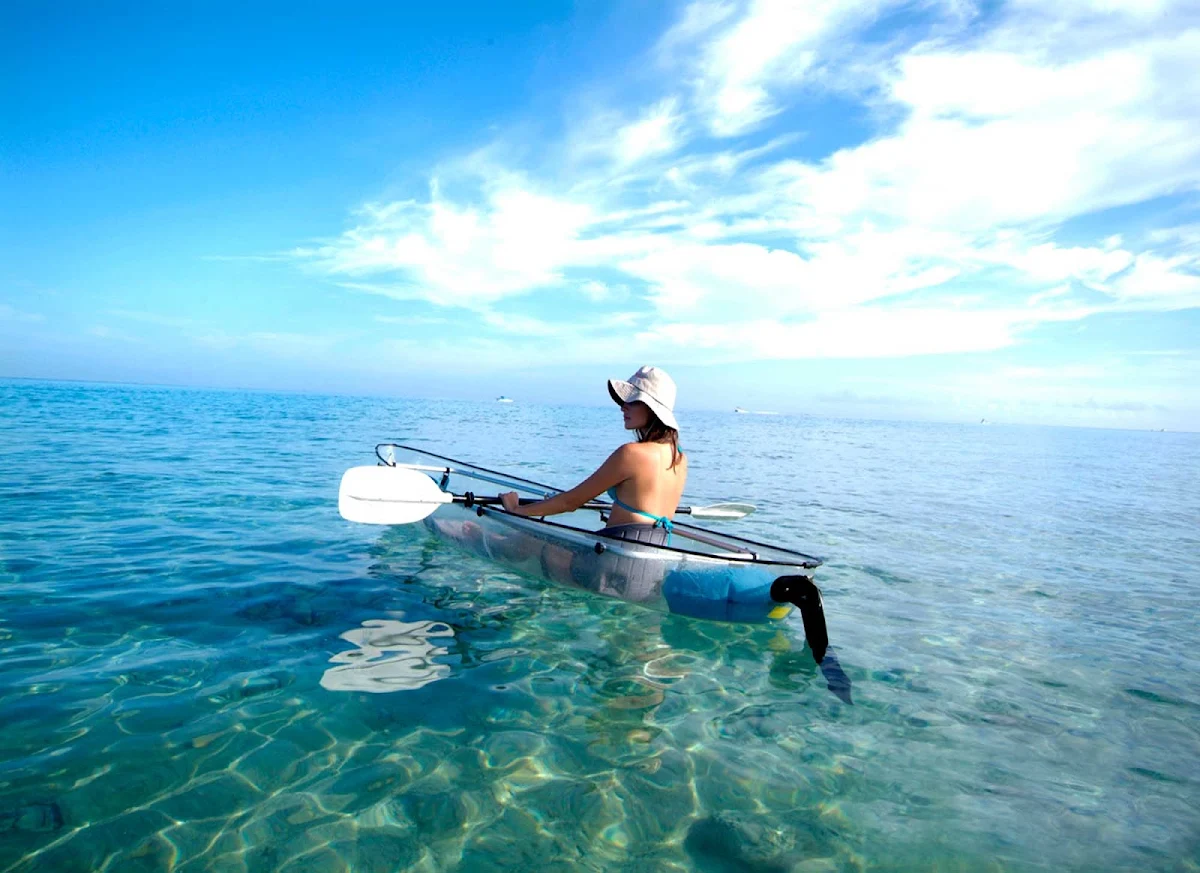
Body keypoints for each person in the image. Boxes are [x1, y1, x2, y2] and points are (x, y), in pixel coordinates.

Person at [499, 365, 687, 546]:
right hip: (652, 566)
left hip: (613, 562)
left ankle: (477, 537)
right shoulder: (679, 458)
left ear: (652, 408)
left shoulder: (632, 453)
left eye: (632, 401)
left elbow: (570, 502)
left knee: (527, 543)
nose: (623, 407)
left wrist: (517, 510)